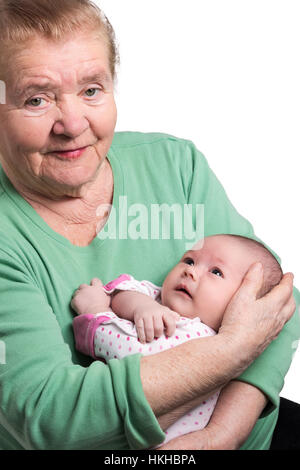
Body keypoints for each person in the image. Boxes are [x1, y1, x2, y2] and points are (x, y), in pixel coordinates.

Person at [0, 0, 298, 450]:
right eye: (36, 99)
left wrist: (221, 435)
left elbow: (277, 302)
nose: (74, 123)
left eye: (92, 90)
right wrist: (232, 349)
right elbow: (53, 420)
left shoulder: (173, 165)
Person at [71, 234, 283, 445]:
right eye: (189, 260)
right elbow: (127, 290)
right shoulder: (164, 301)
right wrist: (141, 306)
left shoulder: (197, 336)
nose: (190, 271)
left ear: (244, 305)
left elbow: (126, 350)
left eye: (216, 272)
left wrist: (96, 310)